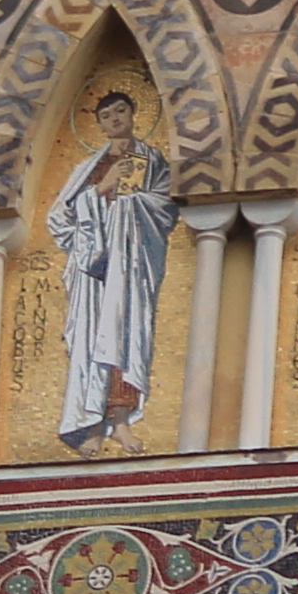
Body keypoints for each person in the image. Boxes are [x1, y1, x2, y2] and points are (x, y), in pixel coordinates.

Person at [47, 89, 179, 453]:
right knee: (91, 344)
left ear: (135, 113)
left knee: (125, 342)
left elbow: (165, 207)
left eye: (121, 111)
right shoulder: (85, 170)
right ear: (100, 124)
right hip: (93, 277)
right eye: (106, 115)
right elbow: (59, 218)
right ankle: (91, 424)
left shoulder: (152, 161)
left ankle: (120, 423)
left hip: (132, 268)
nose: (115, 119)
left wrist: (130, 203)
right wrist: (100, 191)